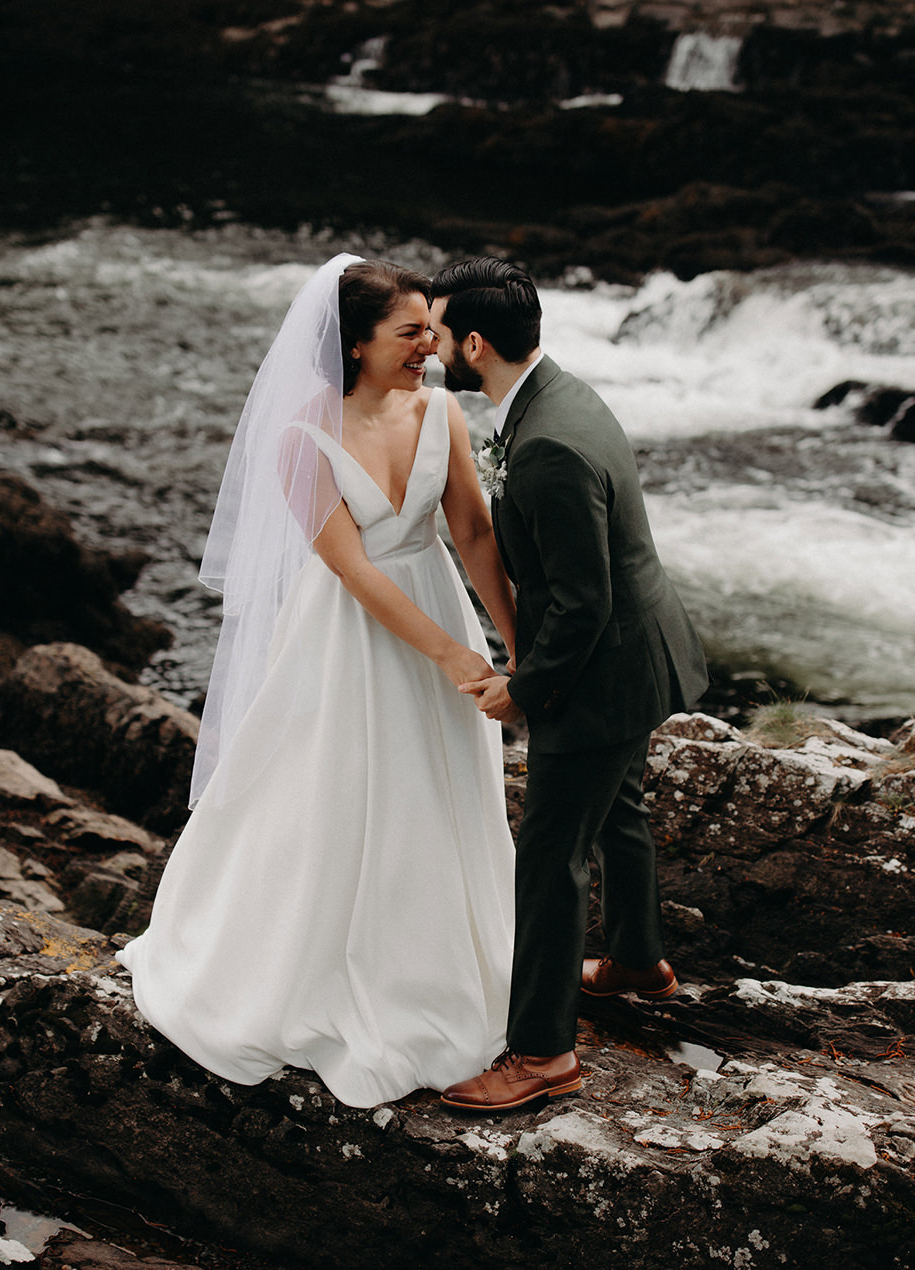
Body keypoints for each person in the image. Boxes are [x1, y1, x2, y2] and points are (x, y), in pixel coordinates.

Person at [117, 255, 521, 1108]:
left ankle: (440, 972)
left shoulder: (442, 409)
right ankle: (299, 971)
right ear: (358, 344)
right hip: (349, 636)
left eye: (429, 329)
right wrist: (451, 656)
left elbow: (475, 534)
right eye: (409, 332)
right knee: (338, 792)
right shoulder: (300, 437)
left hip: (435, 597)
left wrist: (520, 647)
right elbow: (354, 573)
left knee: (441, 796)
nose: (429, 345)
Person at [430, 258, 709, 1113]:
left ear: (473, 345)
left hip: (603, 670)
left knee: (549, 858)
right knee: (619, 807)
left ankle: (542, 1053)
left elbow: (582, 604)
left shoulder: (547, 444)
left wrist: (525, 686)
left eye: (437, 330)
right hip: (642, 651)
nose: (430, 343)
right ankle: (636, 961)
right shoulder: (553, 396)